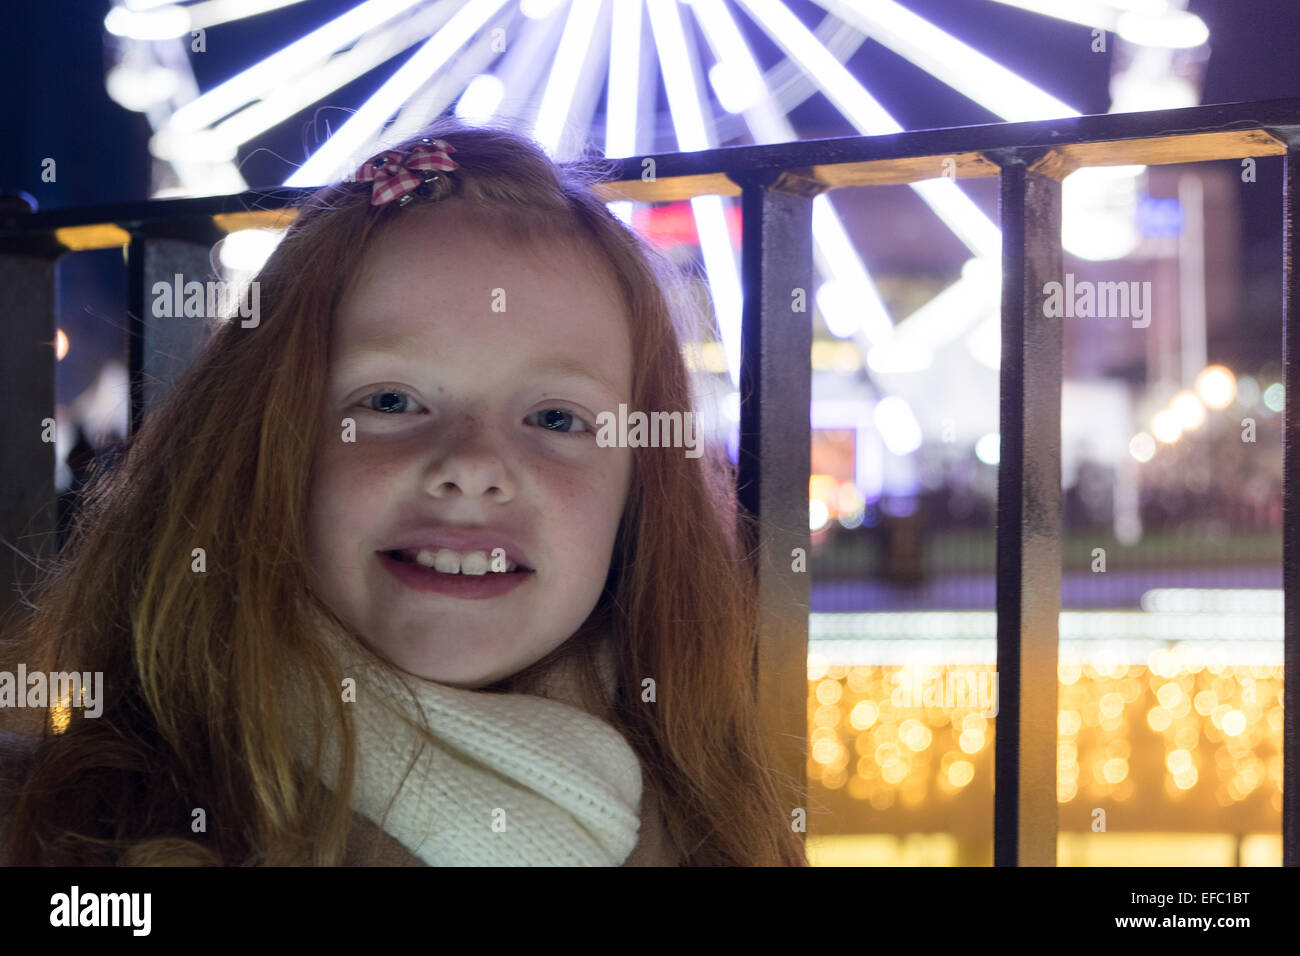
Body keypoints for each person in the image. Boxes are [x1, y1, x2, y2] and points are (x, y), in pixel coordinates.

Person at [0, 120, 807, 867]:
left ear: (640, 495)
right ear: (261, 449)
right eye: (390, 402)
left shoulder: (716, 828)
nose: (473, 463)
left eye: (557, 417)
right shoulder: (69, 835)